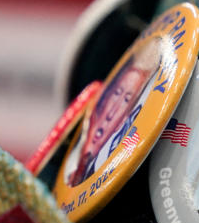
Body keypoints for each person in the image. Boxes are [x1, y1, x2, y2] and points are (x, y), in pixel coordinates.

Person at [67, 39, 162, 186]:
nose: (113, 111)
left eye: (126, 99)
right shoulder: (71, 158)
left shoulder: (115, 157)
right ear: (105, 97)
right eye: (117, 93)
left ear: (127, 116)